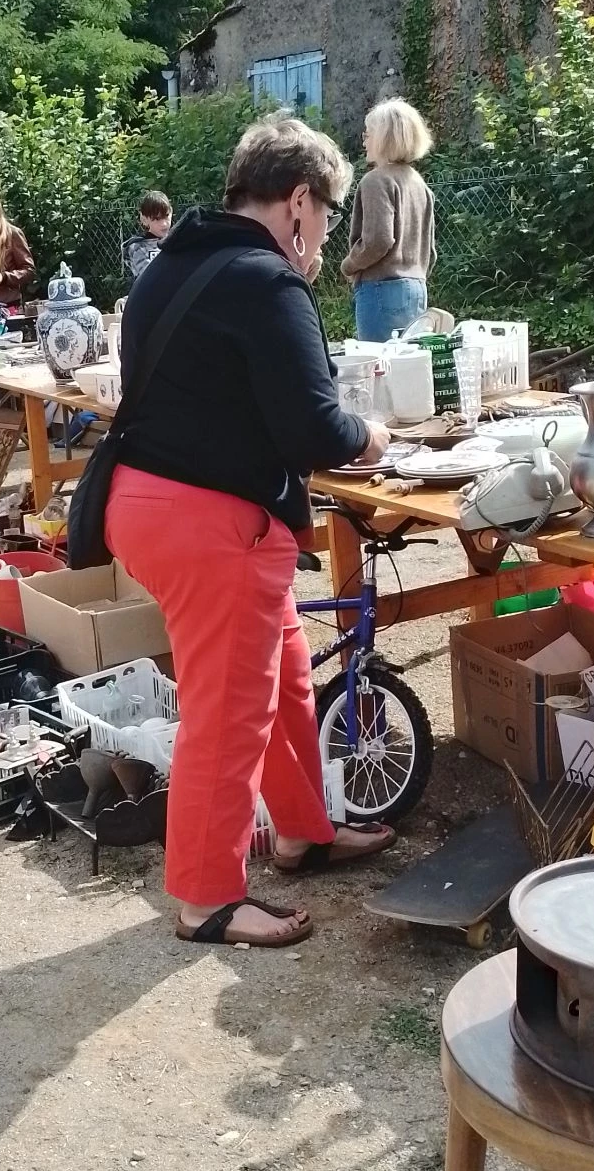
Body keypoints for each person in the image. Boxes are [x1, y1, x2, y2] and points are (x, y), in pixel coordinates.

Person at [105, 118, 394, 949]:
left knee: (285, 672)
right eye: (329, 215)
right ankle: (205, 898)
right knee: (228, 710)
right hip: (211, 523)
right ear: (299, 201)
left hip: (158, 506)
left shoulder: (175, 265)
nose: (326, 235)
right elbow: (315, 429)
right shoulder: (267, 281)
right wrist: (372, 439)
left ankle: (303, 830)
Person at [341, 98, 438, 341]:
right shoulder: (420, 185)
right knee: (406, 368)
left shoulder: (376, 180)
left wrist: (349, 265)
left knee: (378, 369)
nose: (365, 141)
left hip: (380, 290)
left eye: (369, 133)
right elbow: (431, 252)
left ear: (384, 136)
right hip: (417, 289)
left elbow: (377, 240)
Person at [122, 191, 172, 282]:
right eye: (157, 219)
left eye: (166, 216)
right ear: (144, 219)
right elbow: (151, 279)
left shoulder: (178, 241)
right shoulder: (138, 247)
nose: (164, 224)